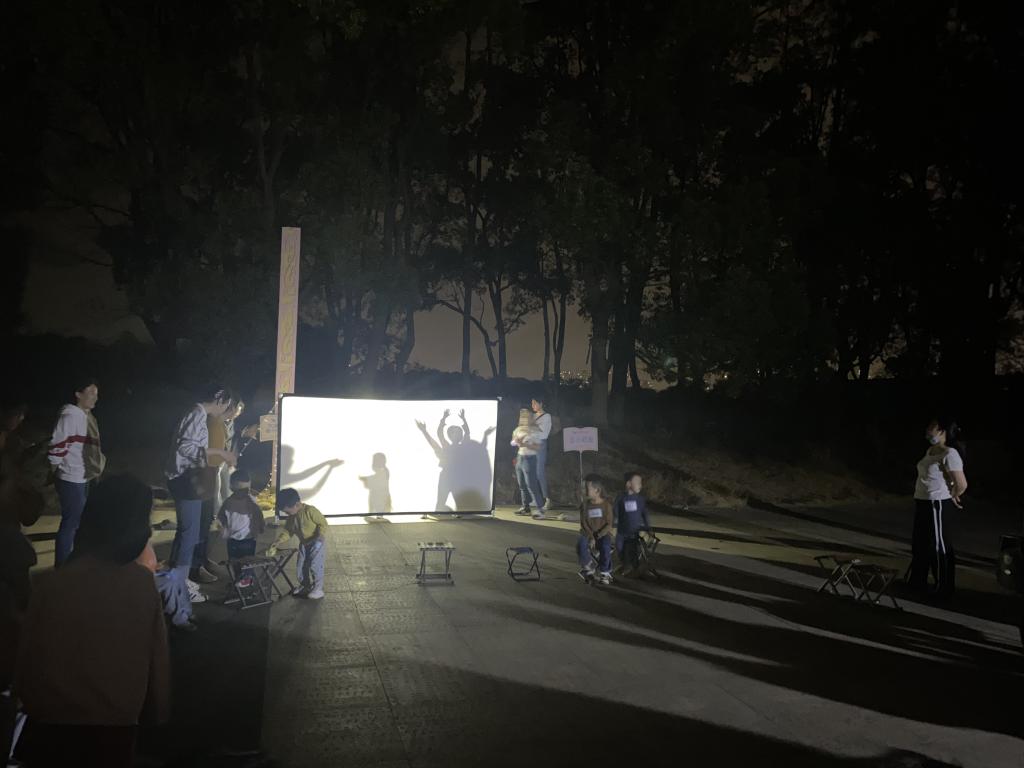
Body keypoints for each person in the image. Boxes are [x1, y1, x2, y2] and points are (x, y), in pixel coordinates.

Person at [13, 475, 170, 768]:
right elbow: (156, 658)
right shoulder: (141, 585)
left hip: (49, 723)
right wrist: (156, 712)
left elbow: (26, 659)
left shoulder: (53, 584)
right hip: (115, 722)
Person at [161, 386, 236, 630]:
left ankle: (175, 590)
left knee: (186, 535)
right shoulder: (196, 414)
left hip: (186, 480)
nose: (226, 409)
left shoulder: (196, 414)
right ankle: (180, 597)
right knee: (189, 536)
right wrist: (221, 453)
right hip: (186, 481)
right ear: (219, 398)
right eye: (227, 404)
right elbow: (187, 449)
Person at [46, 376, 106, 565]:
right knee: (70, 524)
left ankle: (71, 562)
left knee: (76, 522)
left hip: (82, 475)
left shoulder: (86, 416)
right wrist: (57, 468)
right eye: (91, 393)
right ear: (78, 394)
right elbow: (57, 446)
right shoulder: (71, 416)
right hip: (71, 477)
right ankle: (62, 567)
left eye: (96, 394)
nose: (95, 398)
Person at [907, 417, 968, 600]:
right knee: (920, 543)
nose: (928, 430)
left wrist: (953, 494)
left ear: (942, 431)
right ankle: (917, 582)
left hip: (937, 504)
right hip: (922, 501)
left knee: (938, 546)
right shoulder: (930, 451)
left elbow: (961, 483)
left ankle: (944, 587)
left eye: (932, 427)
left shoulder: (950, 454)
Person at [267, 488, 328, 600]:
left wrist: (320, 535)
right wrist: (279, 540)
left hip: (316, 543)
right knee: (301, 565)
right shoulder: (291, 517)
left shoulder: (310, 511)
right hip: (304, 544)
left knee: (315, 565)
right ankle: (305, 585)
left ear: (297, 504)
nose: (287, 514)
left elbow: (323, 523)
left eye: (287, 511)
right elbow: (288, 531)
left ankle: (318, 589)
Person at [218, 469, 265, 560]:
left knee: (235, 562)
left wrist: (223, 530)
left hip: (236, 539)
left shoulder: (228, 502)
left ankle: (238, 569)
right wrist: (260, 528)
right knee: (247, 563)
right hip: (246, 539)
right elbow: (258, 516)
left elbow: (221, 518)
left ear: (231, 487)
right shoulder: (250, 501)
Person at [577, 473, 614, 585]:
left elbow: (609, 524)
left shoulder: (606, 505)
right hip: (588, 533)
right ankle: (588, 567)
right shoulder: (585, 505)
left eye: (586, 488)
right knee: (581, 544)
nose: (583, 491)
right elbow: (583, 523)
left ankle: (605, 572)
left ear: (597, 490)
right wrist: (591, 536)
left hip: (603, 534)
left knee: (605, 546)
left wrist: (598, 535)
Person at [510, 408, 546, 519]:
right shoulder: (518, 429)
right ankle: (525, 507)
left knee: (531, 485)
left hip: (530, 458)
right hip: (520, 457)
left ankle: (540, 510)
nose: (524, 419)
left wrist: (525, 444)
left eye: (527, 417)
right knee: (522, 484)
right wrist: (517, 441)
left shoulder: (535, 431)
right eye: (522, 417)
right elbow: (512, 443)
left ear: (531, 419)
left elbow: (538, 447)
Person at [615, 471, 652, 574]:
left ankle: (634, 568)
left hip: (633, 532)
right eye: (637, 482)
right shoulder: (621, 497)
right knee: (620, 548)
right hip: (622, 531)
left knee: (632, 551)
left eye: (641, 482)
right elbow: (615, 510)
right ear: (628, 484)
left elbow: (645, 514)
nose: (640, 485)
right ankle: (626, 566)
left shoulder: (640, 499)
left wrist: (648, 528)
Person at [531, 397, 553, 509]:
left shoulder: (547, 416)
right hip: (531, 445)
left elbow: (543, 433)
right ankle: (536, 499)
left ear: (541, 403)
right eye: (532, 403)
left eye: (535, 403)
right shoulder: (533, 416)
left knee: (540, 472)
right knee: (531, 472)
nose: (533, 406)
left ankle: (547, 500)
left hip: (540, 444)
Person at [360, 453, 392, 518]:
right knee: (375, 505)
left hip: (381, 494)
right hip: (376, 494)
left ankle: (379, 517)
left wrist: (365, 479)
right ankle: (376, 516)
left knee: (380, 506)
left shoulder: (384, 471)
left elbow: (377, 479)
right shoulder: (382, 471)